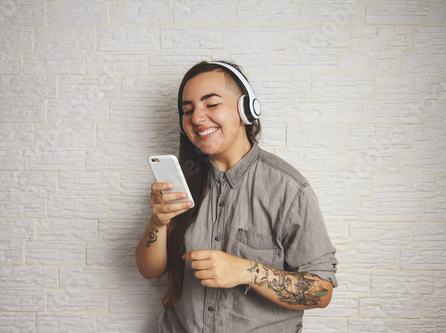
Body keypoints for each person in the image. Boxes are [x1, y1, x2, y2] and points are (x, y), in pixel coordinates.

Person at [135, 61, 338, 332]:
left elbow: (321, 292)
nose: (196, 117)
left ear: (246, 109)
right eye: (188, 110)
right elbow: (149, 271)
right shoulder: (182, 180)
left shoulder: (289, 189)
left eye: (211, 104)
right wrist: (157, 223)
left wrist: (246, 271)